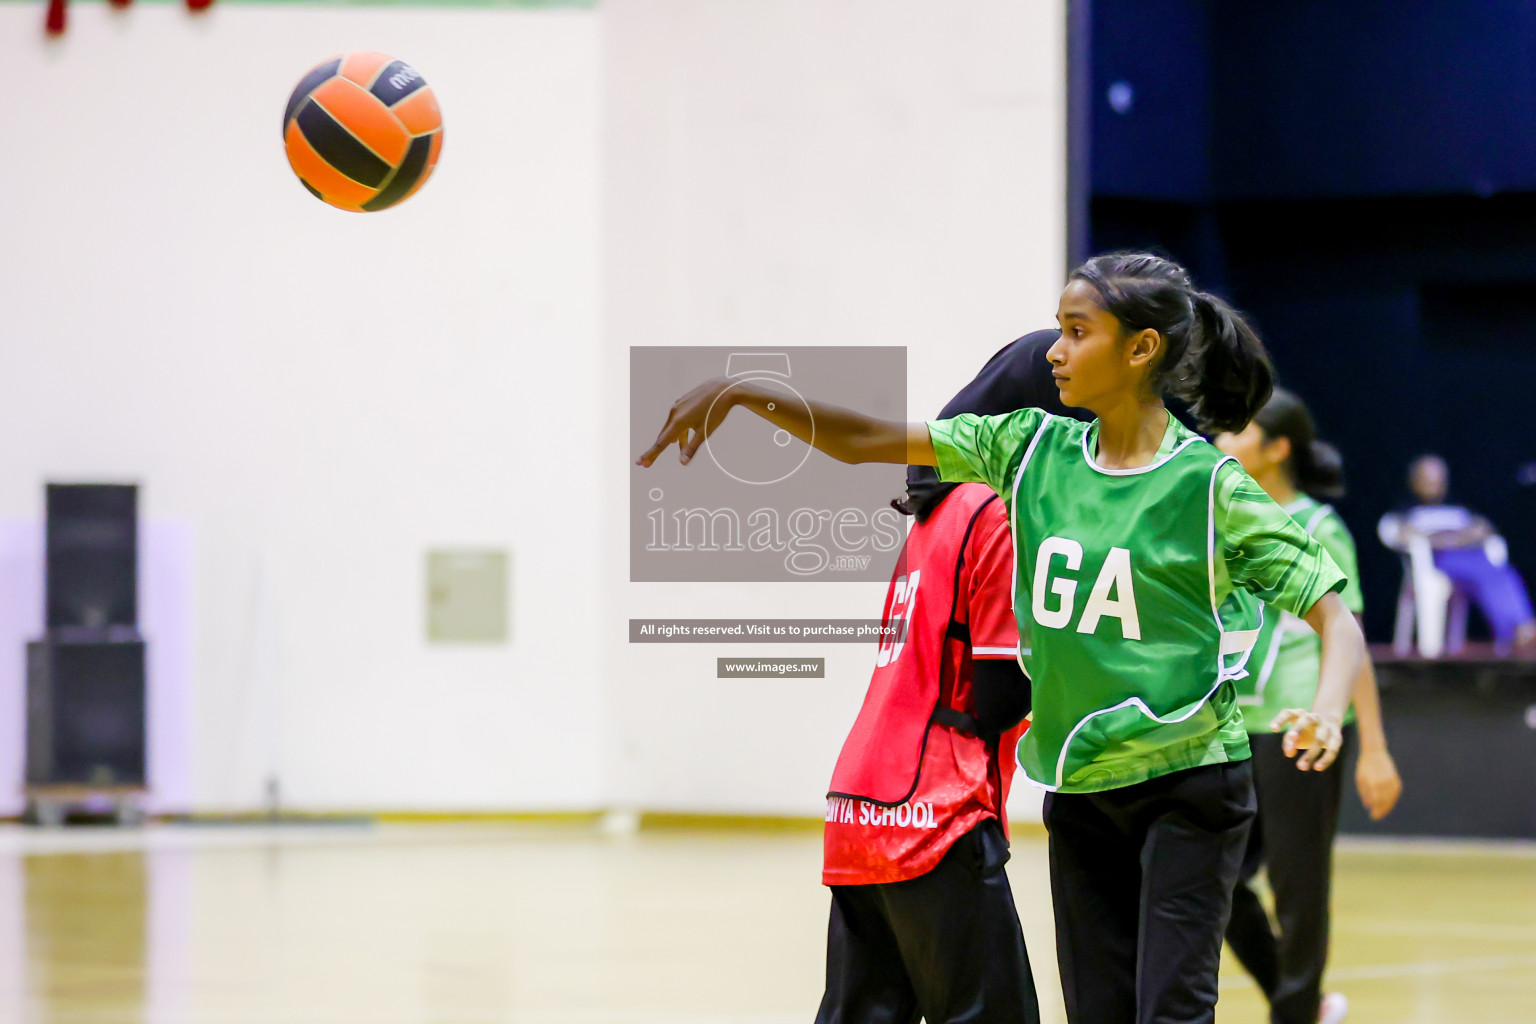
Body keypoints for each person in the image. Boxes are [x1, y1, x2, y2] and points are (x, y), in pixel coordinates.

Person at [637, 252, 1368, 1024]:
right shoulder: (1027, 451)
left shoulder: (1208, 486)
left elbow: (1333, 612)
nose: (1054, 350)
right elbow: (865, 440)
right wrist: (748, 393)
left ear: (1141, 348)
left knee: (1171, 1011)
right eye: (1056, 331)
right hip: (1081, 783)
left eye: (1076, 332)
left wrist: (1326, 706)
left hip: (1189, 779)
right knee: (1098, 1011)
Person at [818, 331, 1088, 1024]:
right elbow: (998, 693)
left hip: (858, 806)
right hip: (935, 812)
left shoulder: (935, 509)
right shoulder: (1000, 510)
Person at [1214, 389, 1404, 1024]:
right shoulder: (1222, 518)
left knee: (1299, 891)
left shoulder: (1321, 529)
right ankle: (1301, 1005)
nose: (1219, 440)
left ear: (1277, 448)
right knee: (1219, 882)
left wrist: (1373, 748)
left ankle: (1295, 1013)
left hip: (1302, 726)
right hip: (1234, 726)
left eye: (1237, 430)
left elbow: (1353, 647)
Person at [1378, 455, 1536, 654]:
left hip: (1474, 558)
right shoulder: (1405, 509)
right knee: (1488, 571)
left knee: (1502, 573)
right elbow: (1400, 534)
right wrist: (1449, 539)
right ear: (1415, 480)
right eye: (1428, 478)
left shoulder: (1457, 507)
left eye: (1438, 479)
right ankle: (1519, 630)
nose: (1434, 484)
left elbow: (1483, 528)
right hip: (1439, 562)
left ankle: (1518, 631)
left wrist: (1457, 537)